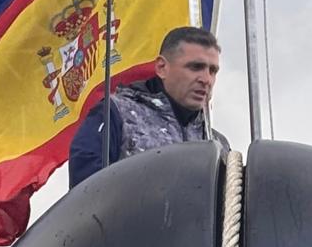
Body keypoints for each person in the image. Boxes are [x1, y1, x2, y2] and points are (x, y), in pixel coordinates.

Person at [68, 26, 228, 186]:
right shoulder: (114, 115)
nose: (206, 79)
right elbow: (86, 194)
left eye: (213, 71)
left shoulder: (218, 145)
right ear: (161, 68)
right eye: (195, 67)